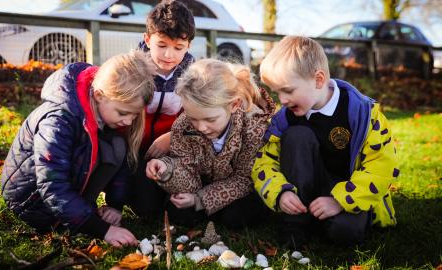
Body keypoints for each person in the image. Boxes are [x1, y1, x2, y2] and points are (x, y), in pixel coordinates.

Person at [252, 36, 399, 247]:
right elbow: (264, 162)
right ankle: (296, 222)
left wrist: (339, 201)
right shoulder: (285, 118)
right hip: (303, 192)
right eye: (278, 92)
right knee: (296, 135)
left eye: (289, 90)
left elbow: (381, 166)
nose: (282, 100)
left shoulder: (363, 113)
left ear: (318, 80)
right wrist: (280, 192)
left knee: (345, 232)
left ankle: (331, 220)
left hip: (348, 194)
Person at [0, 51, 156, 248]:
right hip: (33, 202)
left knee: (117, 146)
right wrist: (103, 230)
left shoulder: (106, 113)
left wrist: (115, 206)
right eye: (123, 113)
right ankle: (78, 214)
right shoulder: (59, 121)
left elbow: (121, 162)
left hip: (67, 194)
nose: (128, 121)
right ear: (99, 95)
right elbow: (51, 184)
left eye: (134, 115)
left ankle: (81, 209)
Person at [145, 59, 276, 229]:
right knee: (178, 213)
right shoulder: (183, 126)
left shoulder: (253, 127)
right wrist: (168, 169)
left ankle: (214, 213)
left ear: (234, 105)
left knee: (236, 217)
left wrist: (201, 199)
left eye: (210, 119)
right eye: (193, 118)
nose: (201, 127)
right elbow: (186, 167)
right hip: (203, 185)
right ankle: (205, 213)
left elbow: (245, 179)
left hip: (240, 191)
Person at [130, 0, 196, 218]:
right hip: (136, 149)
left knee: (181, 215)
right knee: (145, 210)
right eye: (162, 45)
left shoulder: (193, 76)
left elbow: (195, 117)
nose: (169, 55)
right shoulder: (134, 70)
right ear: (148, 39)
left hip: (173, 151)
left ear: (189, 46)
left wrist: (172, 136)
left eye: (178, 48)